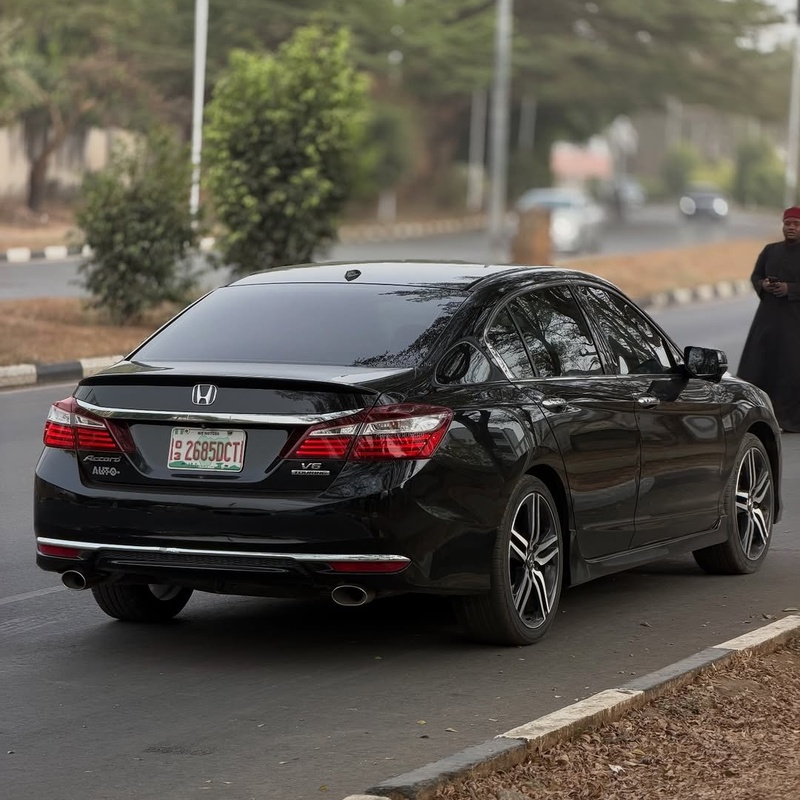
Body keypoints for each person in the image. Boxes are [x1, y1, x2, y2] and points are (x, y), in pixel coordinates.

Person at [737, 205, 800, 432]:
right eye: (787, 224)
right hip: (767, 322)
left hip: (794, 325)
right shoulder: (770, 250)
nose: (791, 228)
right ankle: (760, 418)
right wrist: (763, 285)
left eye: (796, 224)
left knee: (791, 371)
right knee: (761, 366)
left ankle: (791, 421)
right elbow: (756, 276)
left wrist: (790, 289)